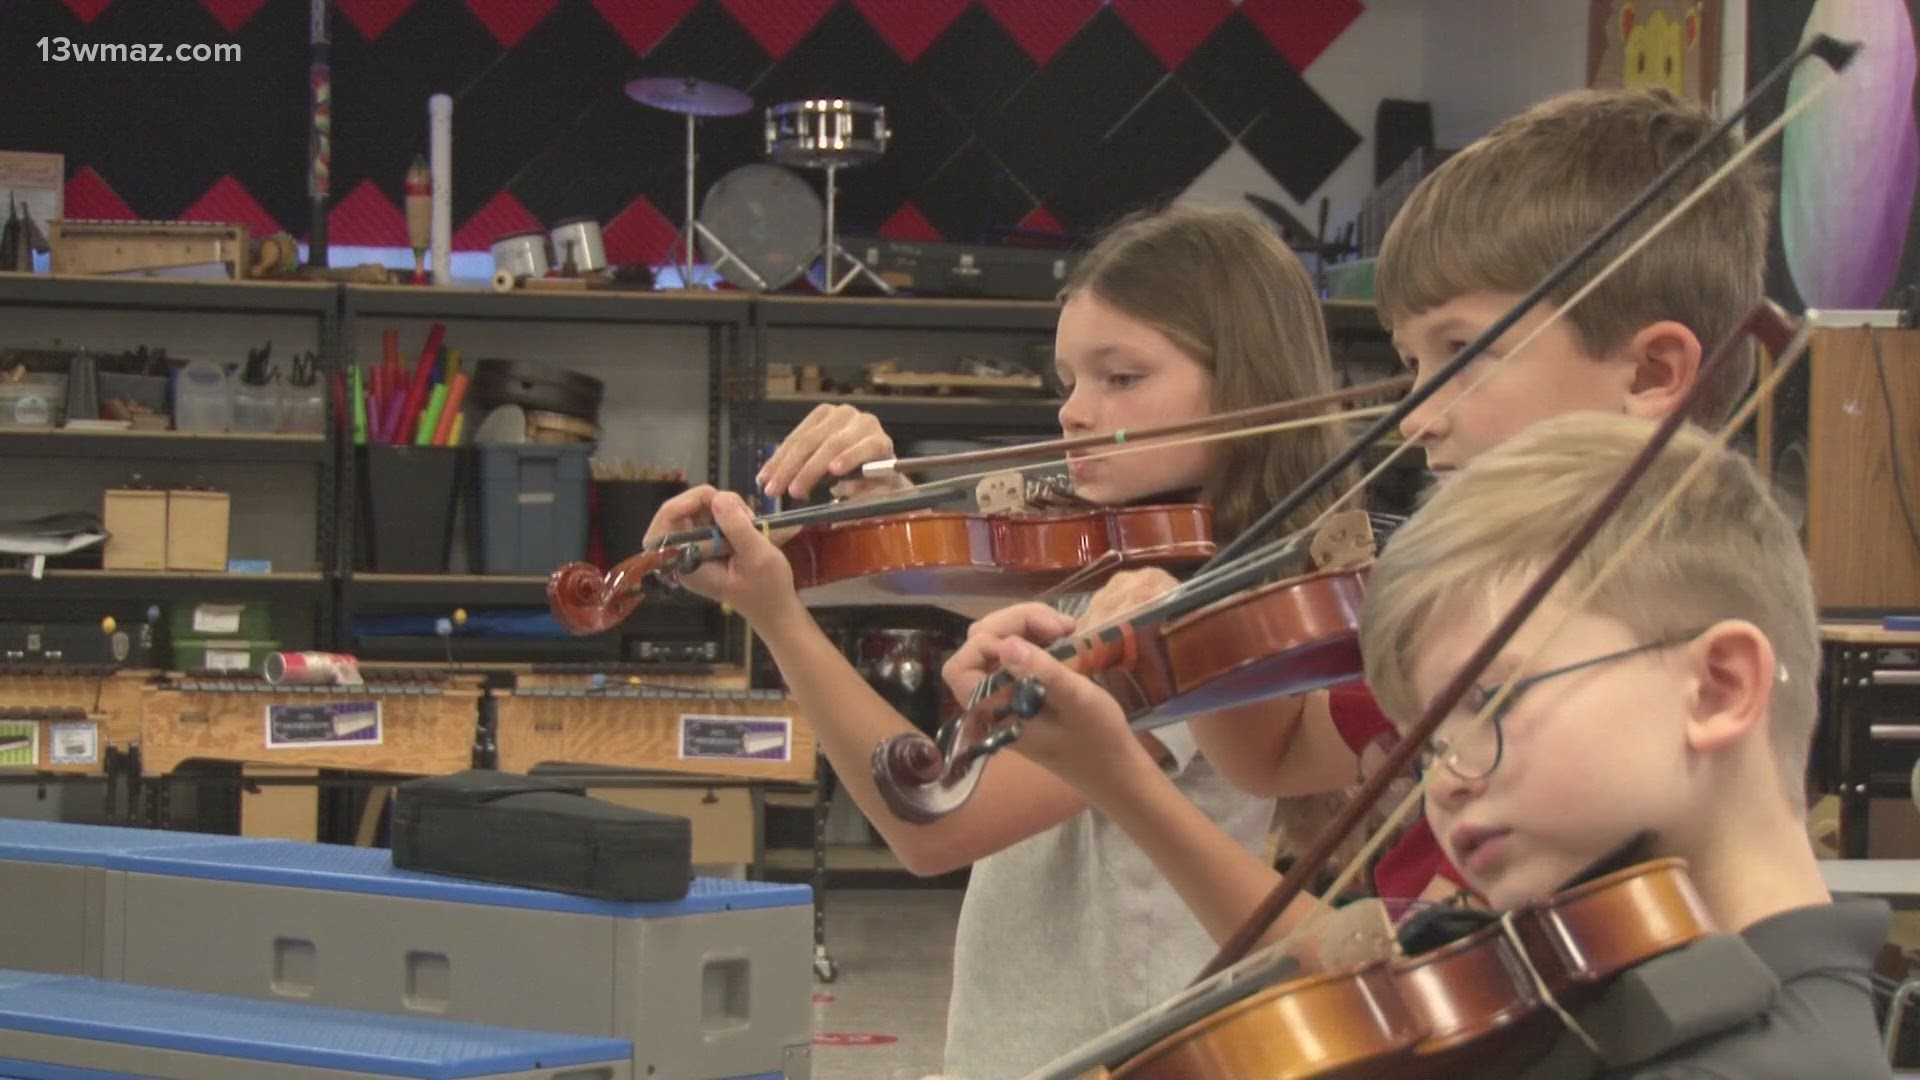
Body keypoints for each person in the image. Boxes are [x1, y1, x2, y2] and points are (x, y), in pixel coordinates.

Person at [941, 86, 1779, 950]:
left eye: (1462, 353)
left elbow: (1400, 984)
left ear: (1649, 376)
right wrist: (1193, 626)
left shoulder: (1612, 637)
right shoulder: (1464, 600)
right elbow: (1279, 752)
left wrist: (1119, 775)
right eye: (1411, 361)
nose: (1415, 415)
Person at [641, 204, 1354, 1079]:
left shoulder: (1190, 614)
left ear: (1247, 390)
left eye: (1122, 378)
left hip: (1119, 1048)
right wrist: (867, 496)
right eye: (1066, 382)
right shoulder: (1113, 561)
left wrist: (778, 618)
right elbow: (917, 567)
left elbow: (937, 826)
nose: (1076, 415)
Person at [983, 413, 1893, 1078]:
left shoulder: (1757, 1058)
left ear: (1720, 686)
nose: (1447, 782)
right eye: (1428, 745)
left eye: (1491, 703)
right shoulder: (1585, 988)